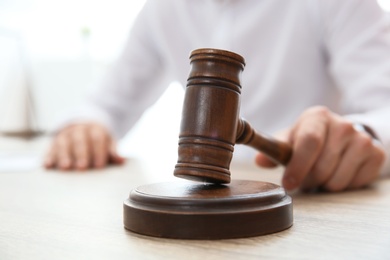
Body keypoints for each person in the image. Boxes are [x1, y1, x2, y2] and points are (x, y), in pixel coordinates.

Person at [44, 0, 390, 192]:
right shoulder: (161, 9)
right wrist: (86, 126)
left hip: (309, 197)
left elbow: (385, 109)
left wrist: (363, 135)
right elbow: (105, 105)